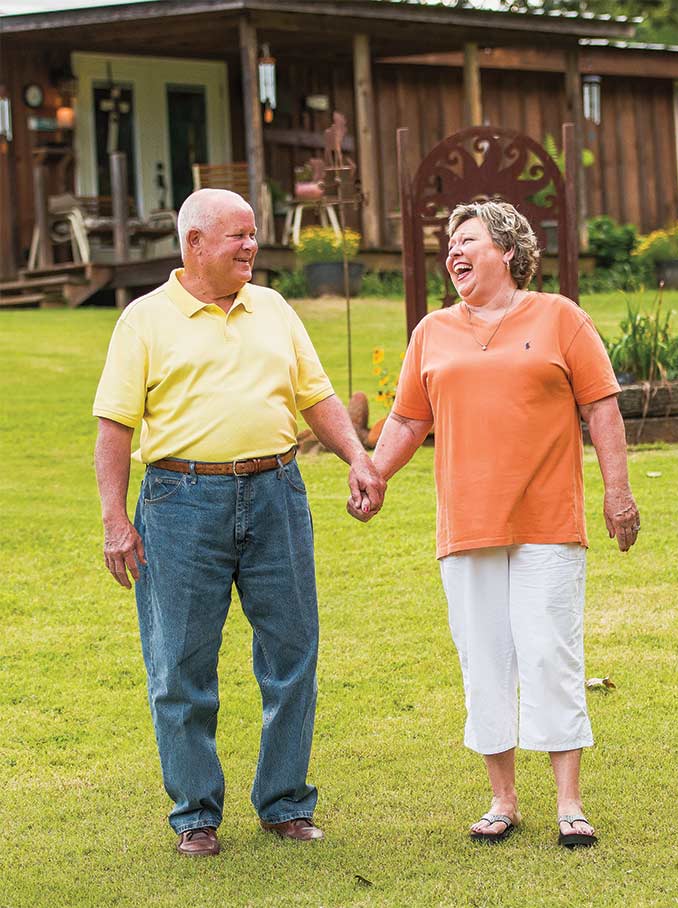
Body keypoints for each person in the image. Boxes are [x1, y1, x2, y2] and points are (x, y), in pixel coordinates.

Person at [93, 188, 385, 856]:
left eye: (254, 234)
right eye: (239, 236)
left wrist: (357, 456)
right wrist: (116, 519)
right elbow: (114, 427)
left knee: (292, 653)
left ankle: (284, 802)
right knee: (180, 665)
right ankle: (196, 812)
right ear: (195, 243)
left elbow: (317, 396)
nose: (252, 246)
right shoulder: (144, 320)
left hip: (277, 492)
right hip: (180, 502)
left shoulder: (274, 309)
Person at [349, 200, 639, 848]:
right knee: (483, 659)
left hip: (547, 520)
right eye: (449, 243)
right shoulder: (432, 331)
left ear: (506, 250)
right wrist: (375, 474)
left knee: (549, 652)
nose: (453, 251)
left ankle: (570, 803)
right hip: (468, 521)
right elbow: (406, 421)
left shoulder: (560, 317)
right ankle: (502, 799)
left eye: (468, 239)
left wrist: (617, 495)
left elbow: (603, 410)